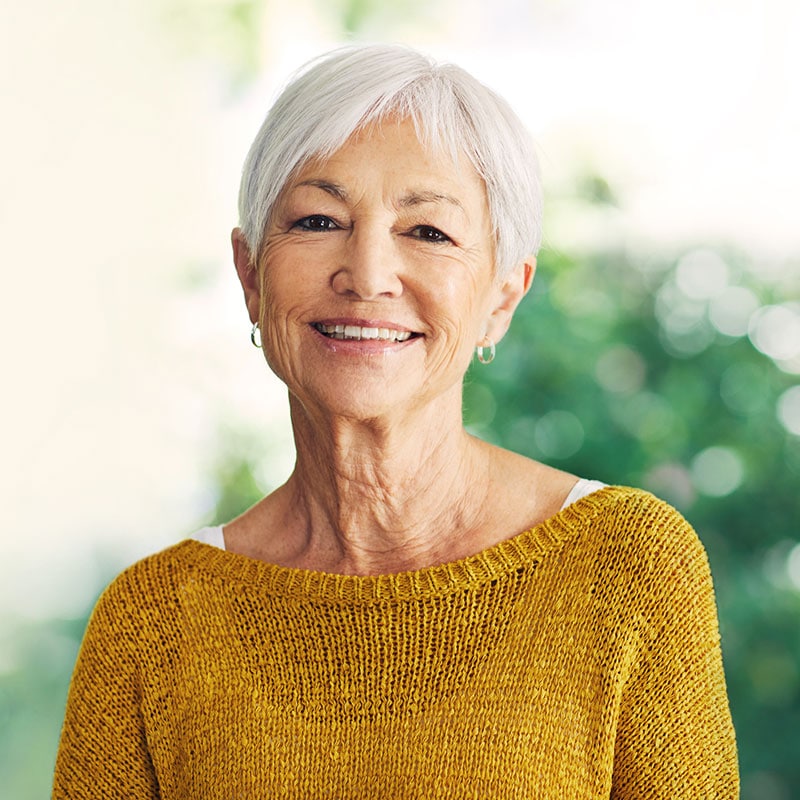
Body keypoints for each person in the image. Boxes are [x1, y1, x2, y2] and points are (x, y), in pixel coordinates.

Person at [53, 44, 738, 798]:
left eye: (428, 232)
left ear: (503, 296)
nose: (368, 275)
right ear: (250, 276)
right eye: (317, 220)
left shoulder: (629, 567)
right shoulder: (152, 623)